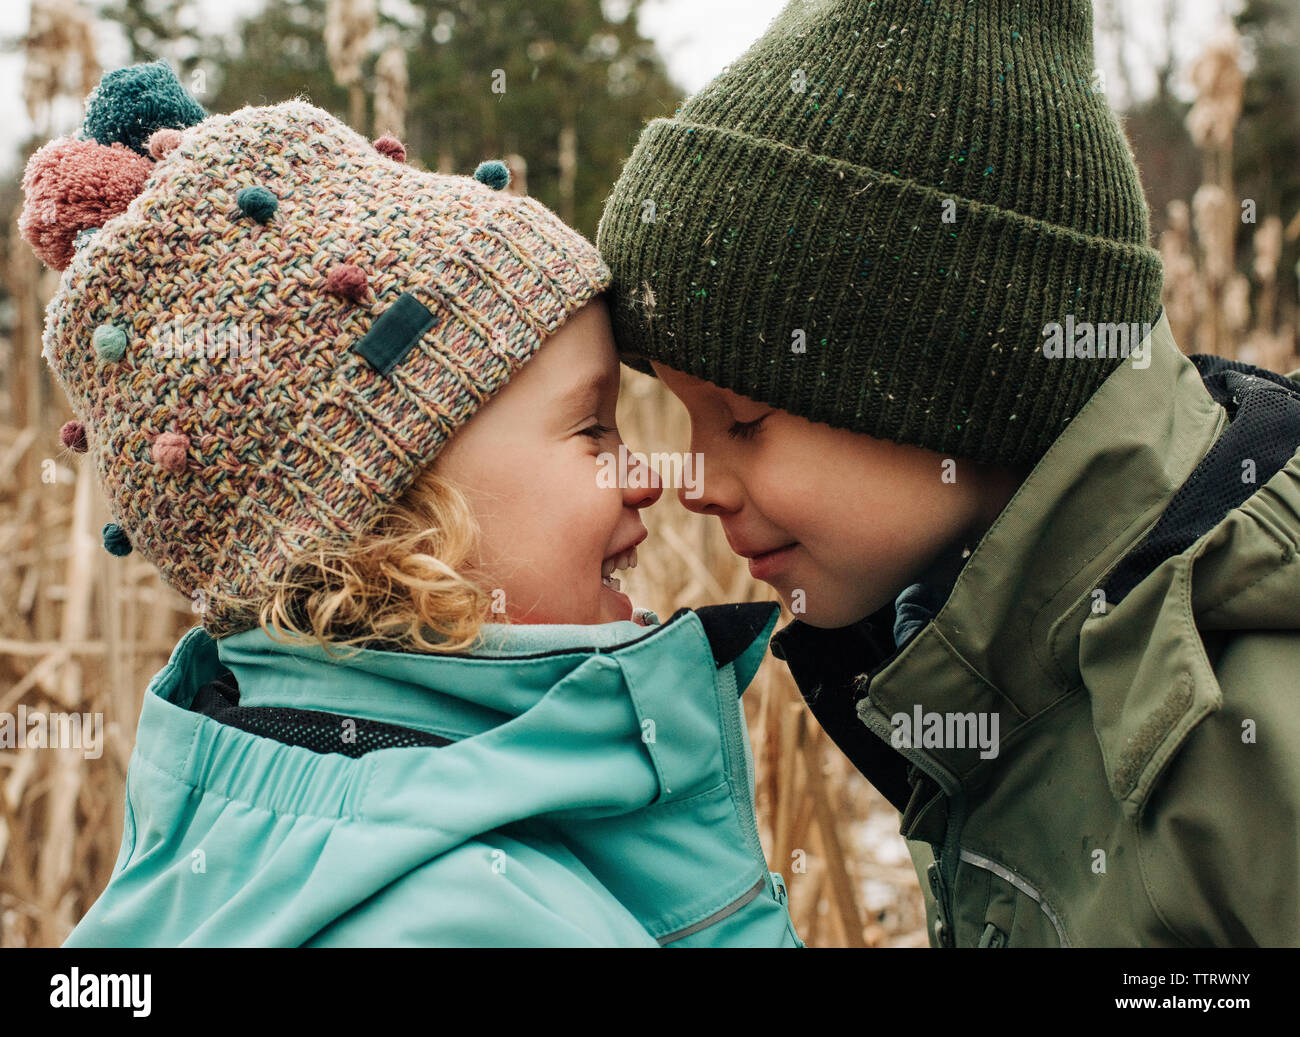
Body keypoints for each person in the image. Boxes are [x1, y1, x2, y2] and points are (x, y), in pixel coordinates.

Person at [22, 61, 801, 948]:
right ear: (393, 524)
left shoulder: (264, 827)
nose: (647, 475)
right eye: (592, 428)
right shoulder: (464, 920)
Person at [598, 0, 1300, 946]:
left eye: (747, 420)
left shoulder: (1239, 728)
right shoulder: (964, 647)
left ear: (962, 375)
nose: (697, 480)